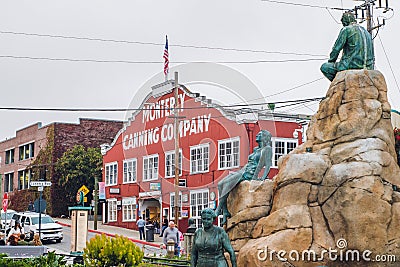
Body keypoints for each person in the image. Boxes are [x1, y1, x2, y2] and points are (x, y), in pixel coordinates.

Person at [215, 130, 272, 225]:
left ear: (265, 137)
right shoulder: (255, 150)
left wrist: (263, 177)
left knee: (228, 183)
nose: (257, 135)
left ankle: (218, 209)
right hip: (244, 170)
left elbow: (268, 165)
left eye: (260, 134)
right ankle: (225, 211)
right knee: (220, 184)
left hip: (249, 173)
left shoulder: (267, 149)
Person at [320, 11, 374, 81]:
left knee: (325, 67)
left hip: (351, 65)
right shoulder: (367, 33)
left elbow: (336, 49)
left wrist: (331, 61)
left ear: (345, 22)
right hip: (368, 67)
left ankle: (341, 83)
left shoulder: (346, 29)